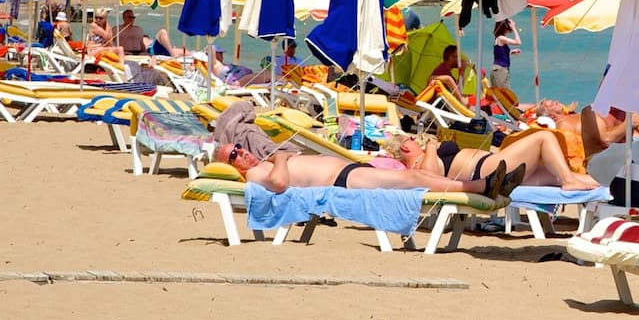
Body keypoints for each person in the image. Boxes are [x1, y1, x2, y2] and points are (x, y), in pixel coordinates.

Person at [214, 143, 523, 198]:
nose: (242, 152)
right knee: (414, 178)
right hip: (342, 180)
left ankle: (491, 184)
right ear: (233, 167)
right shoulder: (254, 175)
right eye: (234, 155)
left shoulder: (263, 163)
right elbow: (280, 184)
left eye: (239, 147)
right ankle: (482, 186)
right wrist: (282, 158)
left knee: (421, 178)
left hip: (349, 172)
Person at [392, 131, 601, 191]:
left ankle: (608, 190)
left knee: (559, 176)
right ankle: (569, 182)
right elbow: (430, 176)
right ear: (405, 147)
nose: (415, 140)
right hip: (486, 171)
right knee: (543, 138)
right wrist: (431, 147)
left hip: (492, 167)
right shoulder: (417, 166)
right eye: (411, 139)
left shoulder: (423, 159)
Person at [490, 19, 521, 90]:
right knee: (504, 92)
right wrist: (514, 28)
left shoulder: (498, 39)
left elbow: (499, 53)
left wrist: (511, 52)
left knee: (500, 92)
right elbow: (518, 42)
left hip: (499, 69)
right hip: (500, 69)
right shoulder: (501, 38)